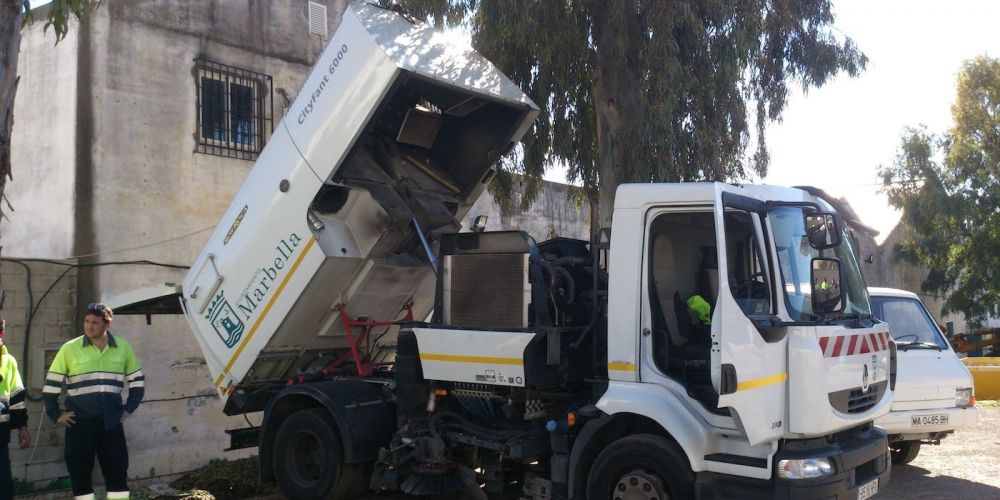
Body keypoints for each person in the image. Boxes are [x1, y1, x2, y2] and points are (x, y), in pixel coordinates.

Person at [43, 304, 144, 500]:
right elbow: (51, 385)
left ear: (107, 324)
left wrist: (128, 409)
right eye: (86, 321)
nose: (89, 326)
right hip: (79, 423)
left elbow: (138, 383)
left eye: (95, 323)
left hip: (111, 424)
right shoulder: (69, 348)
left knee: (117, 475)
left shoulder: (123, 347)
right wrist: (56, 414)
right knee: (80, 475)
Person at [1, 319, 30, 500]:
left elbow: (17, 398)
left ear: (2, 334)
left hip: (0, 439)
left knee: (4, 489)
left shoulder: (9, 362)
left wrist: (23, 427)